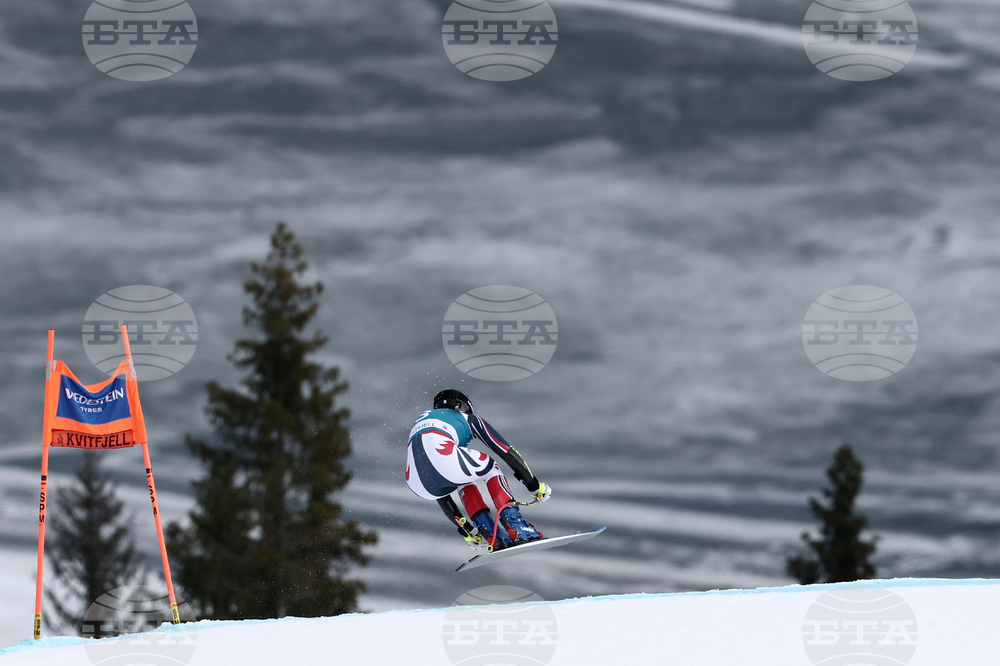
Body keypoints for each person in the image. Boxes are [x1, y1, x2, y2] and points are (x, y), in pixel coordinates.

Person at [405, 389, 551, 551]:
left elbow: (438, 484)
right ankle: (516, 527)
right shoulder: (468, 419)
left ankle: (490, 533)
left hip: (417, 483)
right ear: (462, 406)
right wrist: (534, 485)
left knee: (462, 479)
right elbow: (505, 450)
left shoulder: (421, 421)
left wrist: (466, 529)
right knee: (491, 467)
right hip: (443, 463)